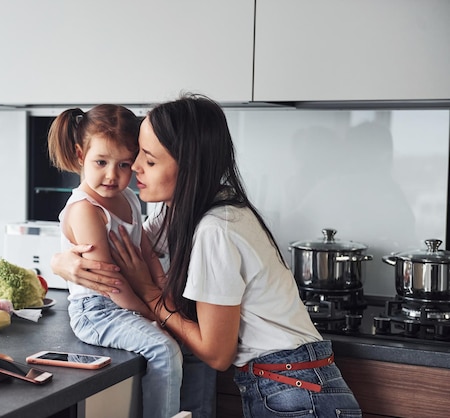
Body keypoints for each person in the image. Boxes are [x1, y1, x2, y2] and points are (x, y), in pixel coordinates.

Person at [52, 94, 362, 417]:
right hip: (297, 386)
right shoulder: (193, 210)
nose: (135, 169)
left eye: (148, 160)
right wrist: (61, 262)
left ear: (187, 167)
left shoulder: (216, 229)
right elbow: (124, 240)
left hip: (296, 393)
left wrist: (150, 294)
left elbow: (216, 353)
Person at [47, 104, 183, 418]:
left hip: (131, 300)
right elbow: (109, 283)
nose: (112, 175)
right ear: (80, 156)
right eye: (101, 162)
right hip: (98, 311)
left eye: (123, 164)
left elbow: (146, 251)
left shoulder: (131, 199)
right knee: (164, 349)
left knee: (187, 343)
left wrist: (164, 296)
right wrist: (155, 313)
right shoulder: (85, 210)